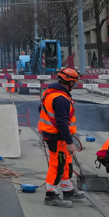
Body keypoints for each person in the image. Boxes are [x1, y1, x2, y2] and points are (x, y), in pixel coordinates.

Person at [37, 66, 86, 208]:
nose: (74, 86)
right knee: (57, 165)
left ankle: (68, 189)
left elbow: (42, 110)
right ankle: (51, 195)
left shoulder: (50, 93)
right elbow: (61, 123)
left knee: (66, 163)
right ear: (69, 82)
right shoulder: (60, 99)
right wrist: (70, 142)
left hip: (57, 136)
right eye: (74, 83)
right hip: (57, 137)